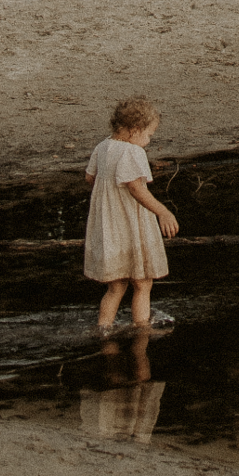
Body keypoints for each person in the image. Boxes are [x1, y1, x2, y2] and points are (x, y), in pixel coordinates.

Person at [84, 96, 179, 332]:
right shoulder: (132, 152)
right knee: (143, 283)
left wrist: (107, 196)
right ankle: (142, 330)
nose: (148, 141)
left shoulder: (103, 146)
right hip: (130, 225)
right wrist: (162, 211)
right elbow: (135, 188)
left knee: (116, 287)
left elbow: (90, 177)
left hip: (110, 226)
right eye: (148, 135)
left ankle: (103, 329)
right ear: (134, 131)